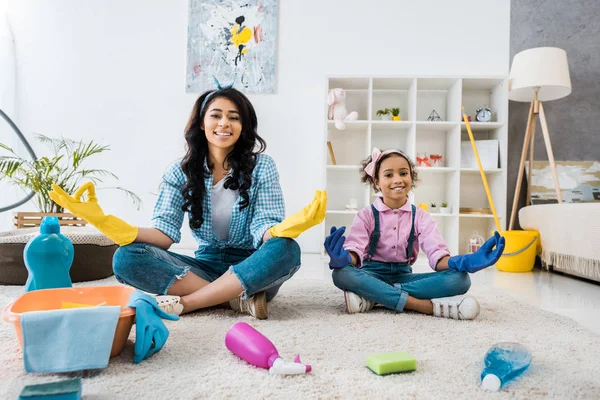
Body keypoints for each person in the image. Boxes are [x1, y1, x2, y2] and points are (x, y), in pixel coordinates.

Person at [50, 85, 327, 320]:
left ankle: (191, 303)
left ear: (244, 126)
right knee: (125, 257)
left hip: (252, 264)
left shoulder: (262, 167)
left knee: (286, 249)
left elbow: (265, 225)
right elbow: (164, 234)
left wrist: (282, 229)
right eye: (216, 115)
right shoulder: (178, 172)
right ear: (202, 123)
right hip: (203, 266)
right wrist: (107, 223)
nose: (224, 123)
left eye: (234, 117)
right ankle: (234, 298)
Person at [324, 148, 505, 320]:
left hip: (405, 277)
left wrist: (464, 261)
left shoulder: (421, 217)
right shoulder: (366, 215)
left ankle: (374, 296)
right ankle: (422, 305)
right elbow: (355, 248)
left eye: (403, 173)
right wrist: (346, 259)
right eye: (388, 175)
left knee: (460, 279)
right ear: (377, 182)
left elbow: (437, 255)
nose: (398, 180)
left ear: (411, 177)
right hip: (371, 274)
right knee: (341, 274)